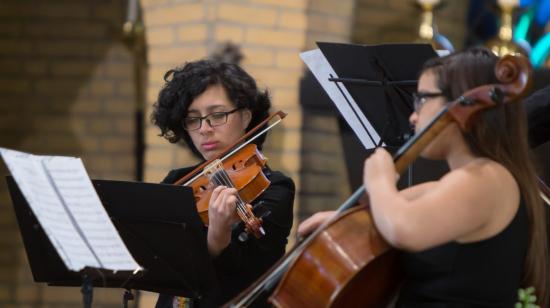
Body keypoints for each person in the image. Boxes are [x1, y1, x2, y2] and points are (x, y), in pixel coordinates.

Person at [298, 48, 549, 307]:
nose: (413, 115)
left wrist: (379, 180)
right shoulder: (462, 181)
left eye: (422, 99)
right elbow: (404, 208)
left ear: (463, 104)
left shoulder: (488, 178)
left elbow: (402, 226)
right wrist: (341, 224)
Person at [151, 59, 295, 307]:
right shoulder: (177, 183)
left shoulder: (274, 188)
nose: (204, 129)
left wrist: (218, 237)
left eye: (217, 115)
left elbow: (249, 277)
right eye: (193, 119)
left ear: (246, 116)